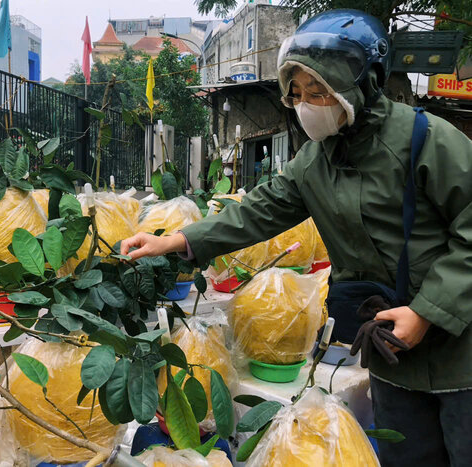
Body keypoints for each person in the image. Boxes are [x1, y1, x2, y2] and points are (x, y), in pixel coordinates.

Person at [121, 9, 472, 467]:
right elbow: (258, 212)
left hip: (458, 352)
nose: (307, 104)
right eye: (299, 93)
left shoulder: (427, 140)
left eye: (320, 91)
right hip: (391, 350)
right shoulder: (316, 162)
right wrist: (175, 240)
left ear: (363, 84)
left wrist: (427, 312)